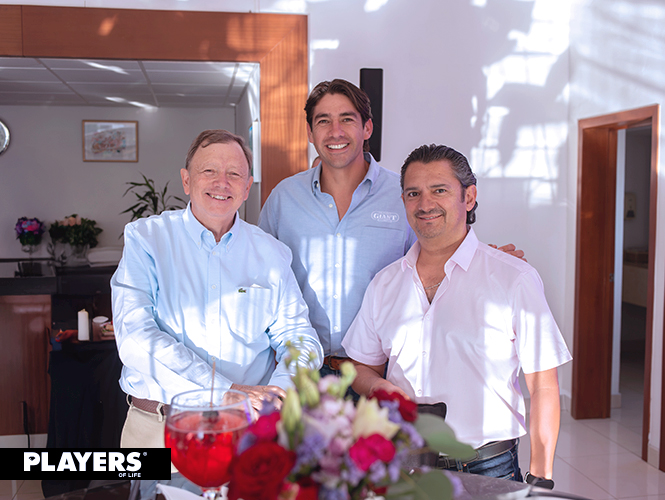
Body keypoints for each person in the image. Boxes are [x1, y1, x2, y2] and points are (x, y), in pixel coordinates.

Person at [341, 144, 572, 486]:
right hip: (406, 462)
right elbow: (361, 367)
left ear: (469, 197)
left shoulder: (513, 278)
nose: (425, 204)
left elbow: (543, 386)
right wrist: (379, 385)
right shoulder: (384, 283)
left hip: (487, 466)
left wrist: (541, 480)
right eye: (413, 193)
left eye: (439, 190)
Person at [259, 79, 524, 376]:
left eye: (347, 119)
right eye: (323, 121)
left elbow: (439, 256)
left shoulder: (406, 195)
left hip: (381, 370)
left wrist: (487, 264)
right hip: (300, 371)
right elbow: (260, 274)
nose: (335, 132)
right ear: (310, 132)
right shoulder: (284, 198)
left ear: (367, 128)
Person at [111, 129, 323, 450]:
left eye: (234, 174)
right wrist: (225, 392)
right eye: (209, 170)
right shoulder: (146, 240)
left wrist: (275, 396)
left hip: (246, 432)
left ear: (247, 188)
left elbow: (300, 338)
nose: (221, 182)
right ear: (186, 181)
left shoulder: (272, 253)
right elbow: (135, 338)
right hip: (158, 430)